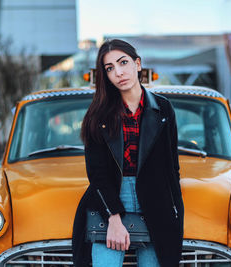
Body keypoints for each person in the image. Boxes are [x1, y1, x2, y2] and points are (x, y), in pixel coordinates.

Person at [72, 39, 184, 267]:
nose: (119, 73)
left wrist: (174, 212)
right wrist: (113, 217)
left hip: (156, 199)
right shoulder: (98, 115)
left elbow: (172, 167)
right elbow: (97, 172)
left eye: (123, 62)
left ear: (138, 64)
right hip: (111, 197)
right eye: (110, 68)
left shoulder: (163, 109)